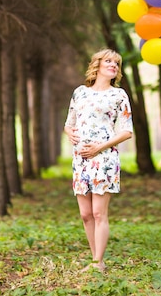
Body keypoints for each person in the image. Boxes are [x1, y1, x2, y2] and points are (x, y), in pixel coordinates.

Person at [64, 48, 134, 272]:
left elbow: (126, 132)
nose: (113, 65)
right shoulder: (80, 92)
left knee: (98, 213)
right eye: (109, 61)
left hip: (104, 157)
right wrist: (69, 133)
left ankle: (98, 262)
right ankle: (95, 258)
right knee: (85, 215)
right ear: (97, 65)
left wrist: (99, 147)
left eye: (116, 63)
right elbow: (69, 123)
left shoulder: (118, 95)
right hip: (81, 158)